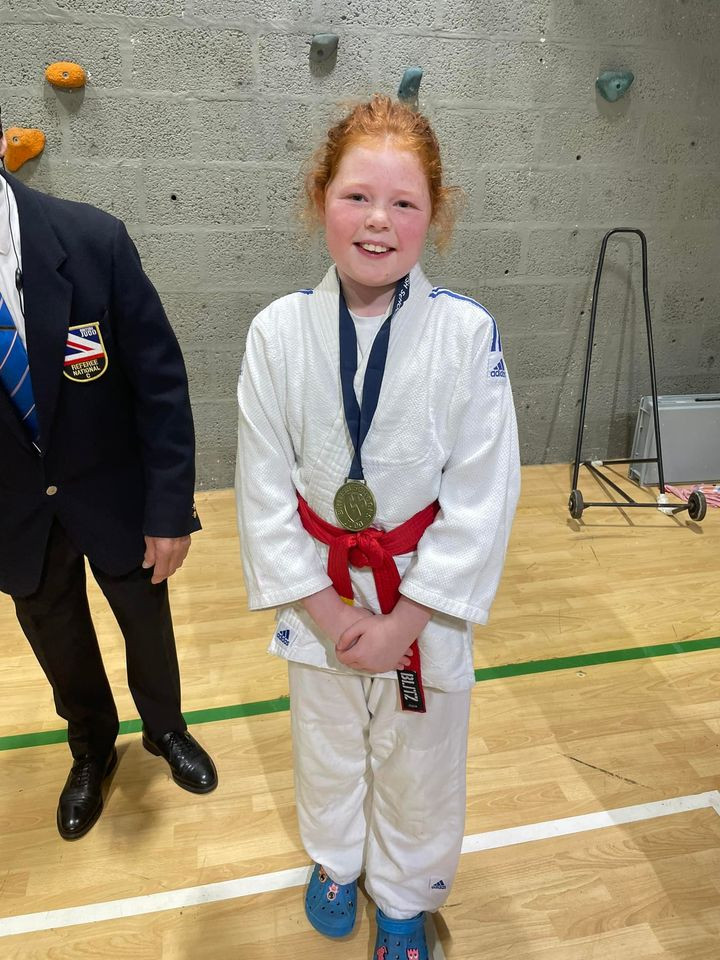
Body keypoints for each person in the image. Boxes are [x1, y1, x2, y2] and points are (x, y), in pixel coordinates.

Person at [235, 94, 520, 959]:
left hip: (418, 602)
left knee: (420, 756)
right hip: (320, 590)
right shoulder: (276, 333)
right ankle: (335, 861)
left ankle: (403, 897)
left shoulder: (467, 334)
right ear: (319, 196)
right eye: (357, 195)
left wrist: (404, 621)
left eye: (404, 202)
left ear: (436, 214)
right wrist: (327, 611)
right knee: (326, 743)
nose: (377, 221)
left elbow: (483, 494)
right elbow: (262, 489)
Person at [0, 110, 217, 842]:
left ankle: (165, 727)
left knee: (146, 623)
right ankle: (92, 747)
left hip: (116, 495)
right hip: (14, 514)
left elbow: (160, 384)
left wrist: (170, 509)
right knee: (57, 639)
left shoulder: (94, 240)